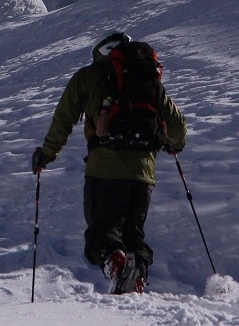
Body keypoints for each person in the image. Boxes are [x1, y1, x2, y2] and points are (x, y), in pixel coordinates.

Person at [32, 31, 187, 294]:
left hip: (104, 169)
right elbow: (178, 128)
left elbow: (63, 119)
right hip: (143, 175)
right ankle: (135, 281)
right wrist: (173, 146)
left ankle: (117, 266)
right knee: (133, 235)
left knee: (102, 235)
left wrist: (46, 154)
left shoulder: (89, 77)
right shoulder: (149, 80)